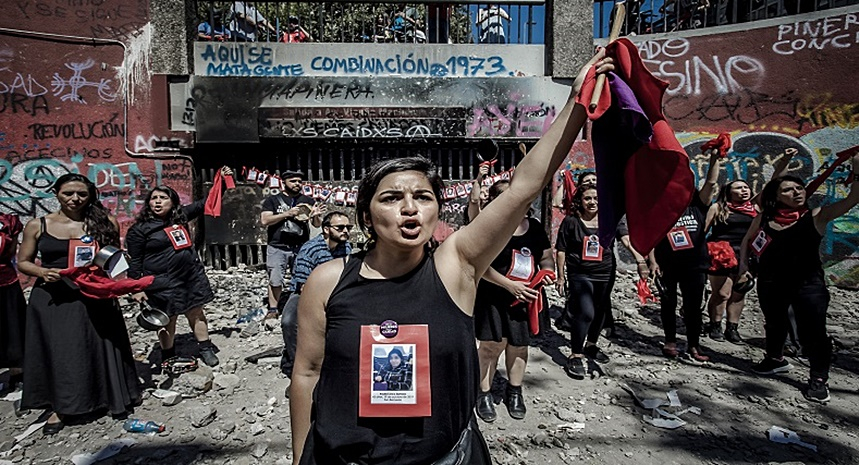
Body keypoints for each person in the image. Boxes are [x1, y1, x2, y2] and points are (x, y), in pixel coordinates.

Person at [290, 50, 614, 464]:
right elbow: (307, 375)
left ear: (437, 210)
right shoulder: (327, 280)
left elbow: (523, 188)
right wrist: (300, 458)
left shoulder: (455, 265)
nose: (410, 208)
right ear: (366, 216)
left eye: (423, 197)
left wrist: (575, 102)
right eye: (391, 198)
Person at [16, 174, 141, 435]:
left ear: (90, 195)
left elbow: (114, 260)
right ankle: (61, 406)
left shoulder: (105, 222)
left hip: (95, 295)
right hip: (55, 298)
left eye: (82, 194)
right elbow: (23, 262)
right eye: (68, 193)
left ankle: (108, 397)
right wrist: (42, 272)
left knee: (98, 345)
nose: (75, 199)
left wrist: (128, 287)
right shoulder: (38, 225)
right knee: (62, 352)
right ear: (56, 193)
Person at [738, 152, 859, 403]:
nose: (796, 192)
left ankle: (818, 378)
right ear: (776, 197)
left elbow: (853, 199)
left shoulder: (817, 216)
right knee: (774, 323)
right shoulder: (765, 217)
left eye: (799, 188)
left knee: (813, 332)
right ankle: (775, 360)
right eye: (788, 190)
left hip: (808, 285)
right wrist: (743, 267)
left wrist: (857, 170)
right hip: (770, 282)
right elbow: (747, 241)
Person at [127, 167, 233, 368]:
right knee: (167, 319)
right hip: (161, 282)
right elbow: (134, 261)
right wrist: (136, 287)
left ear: (173, 202)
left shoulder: (180, 217)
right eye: (154, 198)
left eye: (163, 198)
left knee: (196, 312)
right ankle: (168, 355)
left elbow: (207, 202)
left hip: (189, 277)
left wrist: (223, 181)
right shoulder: (139, 230)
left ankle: (205, 348)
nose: (158, 202)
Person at [474, 179, 554, 422]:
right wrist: (510, 285)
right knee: (490, 346)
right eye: (501, 194)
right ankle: (483, 393)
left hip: (526, 296)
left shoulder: (535, 227)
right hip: (493, 295)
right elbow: (479, 265)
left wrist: (547, 273)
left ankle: (515, 391)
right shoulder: (489, 226)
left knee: (519, 345)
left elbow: (546, 257)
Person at [704, 148, 798, 344]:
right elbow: (703, 231)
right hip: (721, 253)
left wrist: (786, 159)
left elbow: (774, 183)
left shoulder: (755, 207)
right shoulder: (718, 207)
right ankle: (715, 325)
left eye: (746, 187)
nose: (744, 190)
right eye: (738, 188)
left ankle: (732, 328)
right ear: (728, 192)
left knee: (739, 292)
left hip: (746, 254)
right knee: (722, 293)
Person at [556, 183, 648, 379]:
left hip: (604, 272)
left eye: (596, 198)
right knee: (586, 312)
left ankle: (591, 345)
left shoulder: (610, 219)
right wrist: (561, 276)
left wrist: (640, 260)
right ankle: (575, 354)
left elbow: (626, 239)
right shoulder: (571, 221)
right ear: (580, 201)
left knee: (600, 311)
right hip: (579, 273)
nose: (592, 202)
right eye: (587, 198)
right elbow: (561, 250)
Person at [649, 149, 721, 362]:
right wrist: (652, 262)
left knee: (693, 307)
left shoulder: (697, 205)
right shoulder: (660, 208)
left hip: (695, 265)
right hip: (667, 263)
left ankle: (694, 345)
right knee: (668, 302)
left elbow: (711, 183)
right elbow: (651, 236)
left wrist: (715, 159)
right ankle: (670, 340)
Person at [280, 211, 352, 380]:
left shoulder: (346, 248)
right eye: (340, 227)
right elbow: (303, 286)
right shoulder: (310, 249)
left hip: (335, 293)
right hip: (306, 294)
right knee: (288, 321)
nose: (345, 231)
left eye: (348, 227)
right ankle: (295, 364)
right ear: (326, 229)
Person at [260, 170, 324, 318]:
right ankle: (273, 309)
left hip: (301, 246)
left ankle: (301, 306)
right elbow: (265, 220)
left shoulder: (308, 200)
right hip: (277, 245)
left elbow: (316, 224)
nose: (297, 184)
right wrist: (287, 214)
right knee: (275, 279)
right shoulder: (273, 200)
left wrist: (316, 216)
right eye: (293, 181)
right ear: (284, 182)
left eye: (299, 181)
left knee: (302, 277)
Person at [0, 213, 25, 401]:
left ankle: (18, 374)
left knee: (13, 329)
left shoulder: (8, 222)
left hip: (5, 283)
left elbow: (11, 252)